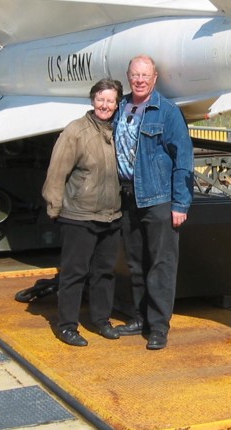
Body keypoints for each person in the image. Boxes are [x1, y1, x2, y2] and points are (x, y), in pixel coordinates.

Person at [113, 55, 194, 350]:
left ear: (155, 77)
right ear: (128, 76)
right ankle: (139, 317)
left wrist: (180, 204)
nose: (140, 80)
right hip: (127, 196)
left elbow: (183, 159)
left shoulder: (168, 112)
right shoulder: (121, 106)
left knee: (161, 264)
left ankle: (159, 326)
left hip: (158, 198)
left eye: (145, 75)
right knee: (135, 261)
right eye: (135, 75)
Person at [41, 78, 125, 347]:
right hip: (79, 215)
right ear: (92, 100)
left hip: (111, 214)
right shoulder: (75, 132)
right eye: (100, 99)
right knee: (74, 273)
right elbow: (57, 171)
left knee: (104, 272)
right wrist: (54, 205)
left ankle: (101, 320)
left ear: (117, 103)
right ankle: (67, 326)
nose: (105, 105)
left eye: (110, 100)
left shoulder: (118, 131)